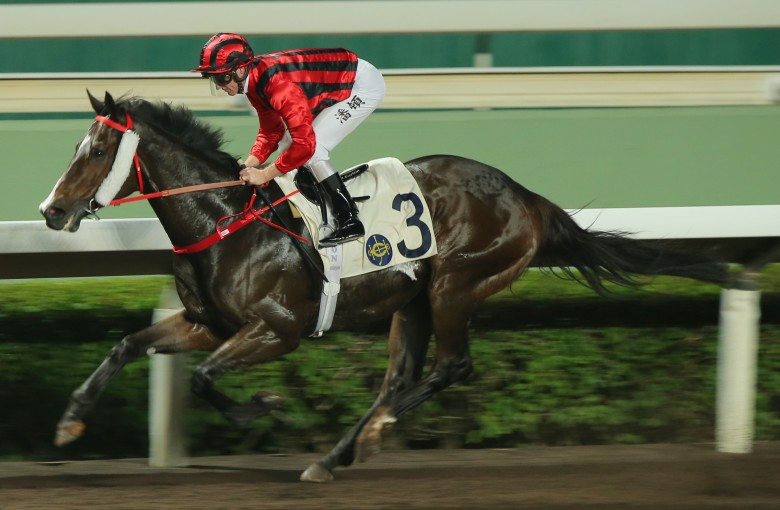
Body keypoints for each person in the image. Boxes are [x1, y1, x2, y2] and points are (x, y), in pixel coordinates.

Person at [193, 32, 386, 247]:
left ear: (240, 69)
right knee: (289, 143)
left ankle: (349, 219)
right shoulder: (254, 83)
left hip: (361, 86)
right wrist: (248, 166)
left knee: (315, 149)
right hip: (338, 78)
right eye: (214, 78)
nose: (219, 85)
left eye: (221, 77)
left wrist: (265, 174)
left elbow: (305, 145)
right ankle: (315, 191)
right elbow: (271, 132)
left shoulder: (277, 85)